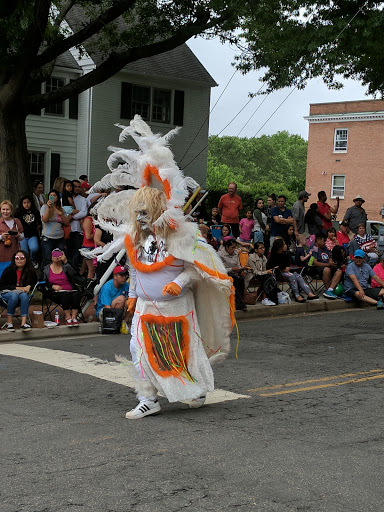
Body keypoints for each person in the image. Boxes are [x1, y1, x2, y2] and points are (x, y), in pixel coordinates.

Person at [89, 117, 233, 419]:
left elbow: (197, 268)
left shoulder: (181, 234)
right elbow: (134, 269)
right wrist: (131, 294)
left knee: (182, 350)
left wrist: (178, 283)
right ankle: (148, 398)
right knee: (138, 350)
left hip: (176, 307)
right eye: (136, 212)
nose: (140, 217)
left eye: (145, 212)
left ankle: (194, 388)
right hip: (144, 305)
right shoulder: (134, 238)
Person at [0, 250, 37, 332]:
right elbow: (2, 285)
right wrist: (16, 288)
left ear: (26, 259)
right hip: (7, 293)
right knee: (14, 295)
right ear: (14, 259)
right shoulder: (9, 270)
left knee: (24, 296)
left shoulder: (30, 271)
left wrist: (29, 286)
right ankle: (9, 323)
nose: (19, 260)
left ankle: (23, 323)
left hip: (21, 294)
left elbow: (34, 282)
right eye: (17, 258)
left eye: (22, 258)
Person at [43, 248, 81, 326]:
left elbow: (73, 274)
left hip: (70, 290)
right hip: (56, 292)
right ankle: (68, 317)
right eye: (54, 255)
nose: (56, 257)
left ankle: (74, 317)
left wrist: (65, 262)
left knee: (76, 294)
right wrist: (52, 286)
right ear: (51, 257)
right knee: (65, 295)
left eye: (59, 255)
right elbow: (43, 282)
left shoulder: (66, 266)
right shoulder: (46, 269)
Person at [40, 189, 70, 265]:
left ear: (58, 197)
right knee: (47, 259)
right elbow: (45, 220)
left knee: (59, 258)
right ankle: (46, 276)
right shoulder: (44, 207)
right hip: (47, 237)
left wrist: (58, 211)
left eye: (54, 195)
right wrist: (48, 208)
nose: (52, 197)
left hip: (59, 238)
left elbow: (67, 223)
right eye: (50, 195)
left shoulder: (61, 209)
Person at [310, 234, 343, 298]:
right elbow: (315, 263)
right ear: (318, 240)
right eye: (323, 241)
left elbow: (330, 259)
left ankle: (330, 290)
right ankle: (328, 289)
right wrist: (328, 265)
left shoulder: (325, 248)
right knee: (326, 269)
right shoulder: (314, 248)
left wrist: (332, 264)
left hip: (328, 266)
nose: (325, 242)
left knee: (339, 271)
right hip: (318, 268)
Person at [14, 195, 41, 269]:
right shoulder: (18, 213)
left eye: (28, 202)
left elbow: (39, 223)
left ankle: (33, 260)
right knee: (24, 252)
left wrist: (35, 229)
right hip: (22, 236)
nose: (26, 204)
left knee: (34, 248)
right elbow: (14, 222)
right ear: (22, 204)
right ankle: (27, 264)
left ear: (31, 203)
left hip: (33, 235)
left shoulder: (35, 212)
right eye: (24, 203)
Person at [219, 239, 247, 311]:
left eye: (235, 247)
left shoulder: (235, 253)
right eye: (232, 248)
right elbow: (220, 269)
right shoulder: (220, 254)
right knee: (234, 280)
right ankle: (239, 303)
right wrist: (231, 269)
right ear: (227, 247)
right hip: (225, 274)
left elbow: (238, 264)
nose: (234, 249)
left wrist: (241, 268)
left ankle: (240, 301)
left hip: (235, 273)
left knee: (241, 280)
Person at [0, 200, 24, 277]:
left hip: (15, 253)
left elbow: (22, 237)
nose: (5, 212)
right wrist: (1, 237)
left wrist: (18, 235)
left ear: (11, 211)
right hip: (2, 255)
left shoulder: (16, 221)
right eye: (3, 209)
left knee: (14, 274)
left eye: (7, 209)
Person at [68, 179, 88, 271]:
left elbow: (84, 213)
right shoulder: (66, 198)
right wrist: (75, 214)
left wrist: (72, 217)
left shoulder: (83, 200)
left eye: (78, 187)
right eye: (75, 186)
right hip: (67, 228)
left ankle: (74, 271)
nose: (77, 188)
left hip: (77, 230)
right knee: (68, 252)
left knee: (76, 252)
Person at [80, 211, 96, 280]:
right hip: (89, 246)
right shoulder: (88, 220)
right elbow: (88, 236)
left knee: (93, 270)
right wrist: (99, 234)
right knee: (91, 270)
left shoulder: (96, 219)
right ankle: (89, 287)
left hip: (95, 246)